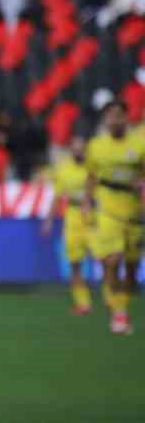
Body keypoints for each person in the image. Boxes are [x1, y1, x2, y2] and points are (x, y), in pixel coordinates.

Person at [83, 100, 142, 336]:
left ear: (127, 118)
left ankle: (121, 305)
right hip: (107, 208)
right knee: (112, 260)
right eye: (111, 116)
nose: (115, 120)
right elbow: (91, 176)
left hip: (134, 211)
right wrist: (88, 201)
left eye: (119, 115)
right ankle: (118, 311)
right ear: (105, 120)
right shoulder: (96, 146)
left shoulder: (139, 145)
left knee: (131, 268)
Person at [41, 136, 94, 316]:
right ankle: (83, 303)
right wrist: (48, 220)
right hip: (73, 216)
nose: (78, 151)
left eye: (81, 148)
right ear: (71, 149)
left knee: (107, 258)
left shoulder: (95, 167)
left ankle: (114, 299)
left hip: (95, 215)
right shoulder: (64, 170)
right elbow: (57, 196)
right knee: (74, 263)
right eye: (75, 148)